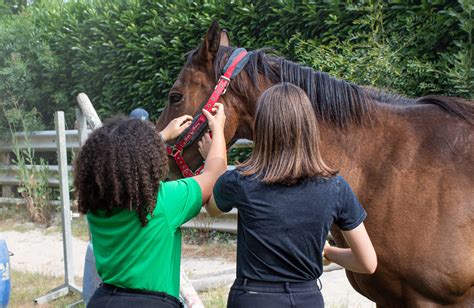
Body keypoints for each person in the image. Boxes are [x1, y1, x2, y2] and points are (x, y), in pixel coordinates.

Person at [204, 83, 377, 308]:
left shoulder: (241, 181)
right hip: (307, 299)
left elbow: (212, 207)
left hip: (254, 298)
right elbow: (368, 263)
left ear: (263, 128)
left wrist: (217, 135)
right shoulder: (335, 187)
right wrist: (329, 252)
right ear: (308, 127)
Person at [74, 103, 227, 308]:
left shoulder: (96, 205)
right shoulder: (161, 202)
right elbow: (214, 174)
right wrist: (218, 129)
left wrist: (161, 135)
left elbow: (122, 160)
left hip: (104, 300)